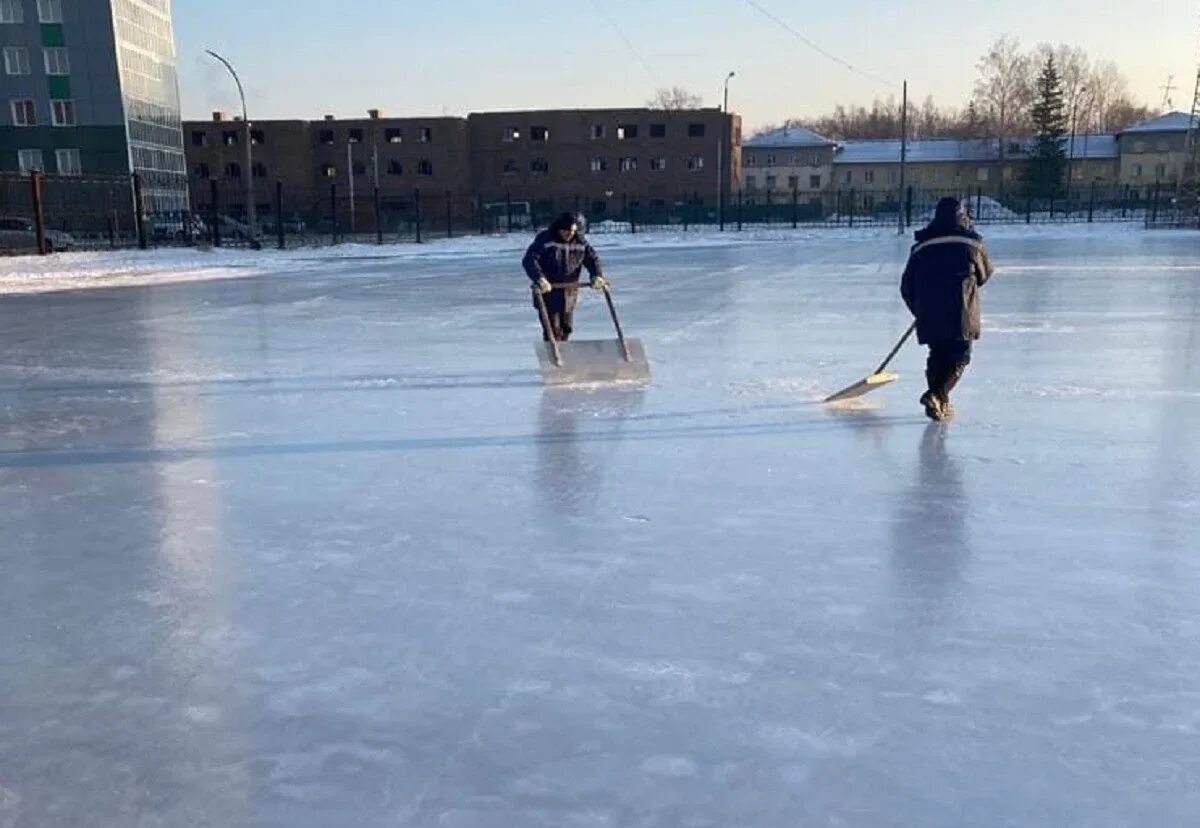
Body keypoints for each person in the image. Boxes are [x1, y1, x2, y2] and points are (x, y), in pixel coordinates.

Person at [900, 197, 994, 421]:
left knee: (937, 356)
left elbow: (907, 287)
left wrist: (921, 310)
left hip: (930, 313)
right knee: (959, 357)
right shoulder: (972, 245)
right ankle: (937, 395)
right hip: (961, 313)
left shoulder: (921, 247)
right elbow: (985, 274)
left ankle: (938, 403)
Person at [522, 212, 607, 341]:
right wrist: (540, 278)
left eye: (573, 231)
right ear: (559, 229)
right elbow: (529, 260)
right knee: (552, 331)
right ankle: (553, 357)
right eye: (566, 231)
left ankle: (564, 355)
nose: (570, 234)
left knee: (566, 328)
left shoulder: (580, 241)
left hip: (569, 292)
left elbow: (592, 259)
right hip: (548, 291)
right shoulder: (546, 239)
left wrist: (596, 275)